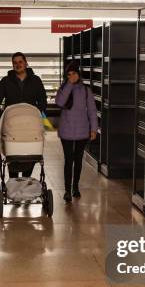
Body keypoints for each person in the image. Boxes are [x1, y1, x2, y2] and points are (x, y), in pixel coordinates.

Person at [0, 52, 47, 178]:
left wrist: (37, 119)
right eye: (15, 63)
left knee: (31, 157)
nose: (18, 65)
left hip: (31, 128)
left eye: (20, 62)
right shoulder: (5, 81)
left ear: (26, 63)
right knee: (12, 160)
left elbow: (43, 102)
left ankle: (26, 182)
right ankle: (14, 184)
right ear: (12, 65)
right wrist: (1, 120)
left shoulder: (36, 81)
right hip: (12, 129)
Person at [55, 62, 98, 202]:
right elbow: (60, 103)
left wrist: (93, 128)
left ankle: (75, 187)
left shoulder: (86, 90)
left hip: (82, 131)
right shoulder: (63, 88)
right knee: (68, 160)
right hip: (66, 130)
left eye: (74, 73)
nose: (72, 76)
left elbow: (92, 110)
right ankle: (67, 190)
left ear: (78, 74)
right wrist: (69, 85)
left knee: (78, 160)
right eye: (69, 74)